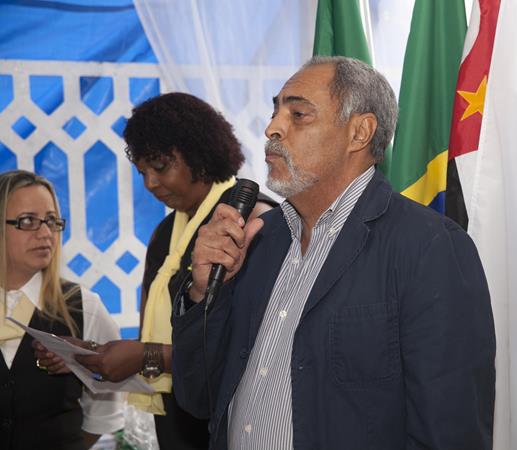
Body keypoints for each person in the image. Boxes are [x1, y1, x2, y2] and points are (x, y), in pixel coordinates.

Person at [172, 56, 496, 449]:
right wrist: (204, 293)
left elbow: (450, 432)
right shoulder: (257, 241)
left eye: (298, 114)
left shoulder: (428, 247)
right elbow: (199, 396)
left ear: (360, 132)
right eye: (275, 112)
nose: (272, 128)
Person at [34, 92, 275, 449]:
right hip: (177, 418)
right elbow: (159, 341)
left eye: (160, 167)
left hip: (234, 421)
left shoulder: (252, 220)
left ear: (199, 153)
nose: (149, 183)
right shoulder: (164, 235)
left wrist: (146, 357)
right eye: (142, 172)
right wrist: (91, 353)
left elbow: (257, 347)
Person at [0, 170, 123, 450]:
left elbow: (103, 412)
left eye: (52, 221)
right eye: (28, 221)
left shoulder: (85, 307)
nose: (45, 234)